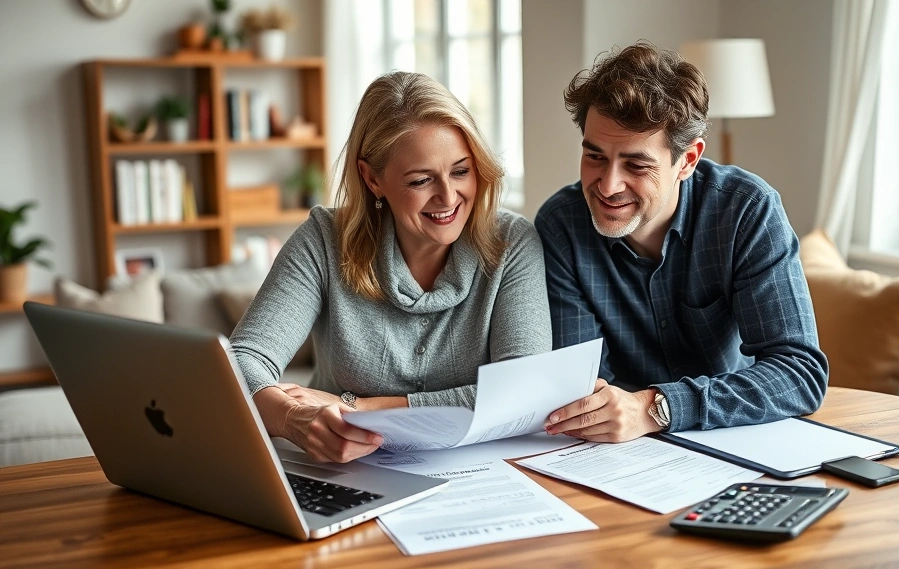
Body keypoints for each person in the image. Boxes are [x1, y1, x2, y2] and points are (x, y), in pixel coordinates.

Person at [231, 71, 551, 463]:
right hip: (345, 470)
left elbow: (523, 390)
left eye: (461, 171)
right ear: (372, 178)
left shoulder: (512, 243)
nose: (449, 197)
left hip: (479, 472)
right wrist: (294, 418)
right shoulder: (323, 239)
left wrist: (361, 407)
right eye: (421, 180)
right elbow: (242, 362)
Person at [537, 41, 828, 443]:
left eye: (636, 164)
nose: (608, 185)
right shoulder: (561, 225)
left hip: (733, 432)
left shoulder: (746, 211)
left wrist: (656, 407)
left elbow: (799, 375)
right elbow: (583, 387)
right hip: (617, 450)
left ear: (687, 161)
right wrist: (623, 413)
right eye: (595, 156)